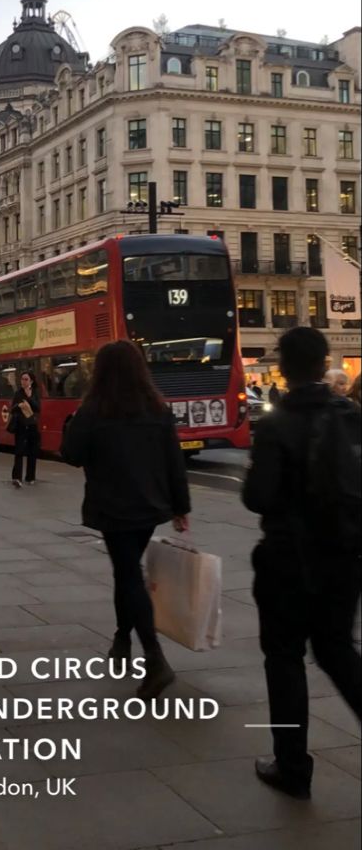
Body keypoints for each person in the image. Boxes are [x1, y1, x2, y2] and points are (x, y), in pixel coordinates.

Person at [242, 326, 361, 799]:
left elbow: (257, 497)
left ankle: (293, 766)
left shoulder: (276, 423)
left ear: (285, 369)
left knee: (284, 658)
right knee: (338, 651)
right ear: (322, 364)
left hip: (288, 561)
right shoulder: (351, 415)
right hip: (345, 557)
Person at [62, 340, 191, 698]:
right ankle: (122, 639)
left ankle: (155, 659)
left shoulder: (94, 410)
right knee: (127, 570)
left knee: (129, 574)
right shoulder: (157, 409)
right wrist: (181, 508)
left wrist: (75, 420)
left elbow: (71, 454)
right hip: (149, 505)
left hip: (113, 506)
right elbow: (173, 462)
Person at [10, 371, 40, 487]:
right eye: (22, 379)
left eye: (26, 379)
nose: (23, 381)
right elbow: (12, 409)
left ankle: (30, 477)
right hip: (21, 426)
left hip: (32, 425)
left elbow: (38, 408)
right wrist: (18, 406)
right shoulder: (18, 393)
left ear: (31, 381)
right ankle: (17, 477)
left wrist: (29, 399)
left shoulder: (35, 393)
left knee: (32, 452)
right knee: (19, 451)